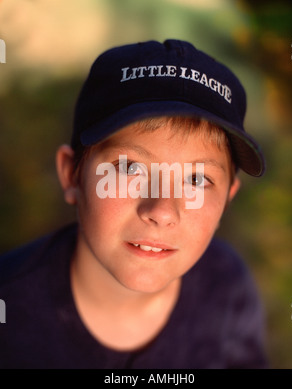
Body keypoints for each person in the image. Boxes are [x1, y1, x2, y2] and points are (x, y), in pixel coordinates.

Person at [0, 39, 268, 368]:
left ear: (227, 200)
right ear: (72, 175)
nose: (162, 210)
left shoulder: (228, 286)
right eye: (130, 169)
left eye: (197, 180)